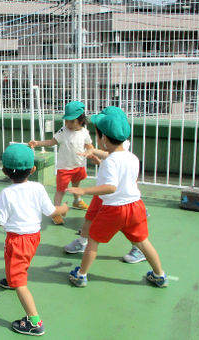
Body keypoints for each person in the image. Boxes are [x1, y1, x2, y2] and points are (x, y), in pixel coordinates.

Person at [0, 143, 69, 336]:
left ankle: (34, 322)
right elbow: (51, 211)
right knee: (15, 265)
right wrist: (64, 209)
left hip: (17, 240)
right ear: (33, 169)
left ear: (4, 171)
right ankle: (11, 279)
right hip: (33, 238)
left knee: (20, 283)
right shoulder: (38, 187)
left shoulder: (7, 193)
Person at [66, 110, 168, 288]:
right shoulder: (132, 157)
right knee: (143, 242)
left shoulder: (111, 161)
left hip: (114, 209)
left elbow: (111, 187)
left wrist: (84, 190)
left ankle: (81, 275)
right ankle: (160, 275)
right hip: (135, 206)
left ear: (103, 138)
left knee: (93, 242)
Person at [63, 107, 146, 264]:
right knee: (90, 217)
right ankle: (82, 242)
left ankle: (138, 248)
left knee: (129, 227)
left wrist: (84, 189)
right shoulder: (113, 141)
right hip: (103, 191)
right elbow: (109, 160)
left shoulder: (121, 143)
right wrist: (97, 157)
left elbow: (113, 160)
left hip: (118, 196)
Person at [28, 101, 93, 225]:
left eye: (71, 121)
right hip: (65, 168)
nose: (68, 124)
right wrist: (38, 143)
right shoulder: (63, 131)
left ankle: (77, 201)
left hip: (79, 166)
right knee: (60, 190)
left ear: (80, 120)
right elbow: (52, 142)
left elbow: (89, 146)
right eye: (66, 120)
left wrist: (90, 153)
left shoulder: (84, 132)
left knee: (76, 186)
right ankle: (56, 211)